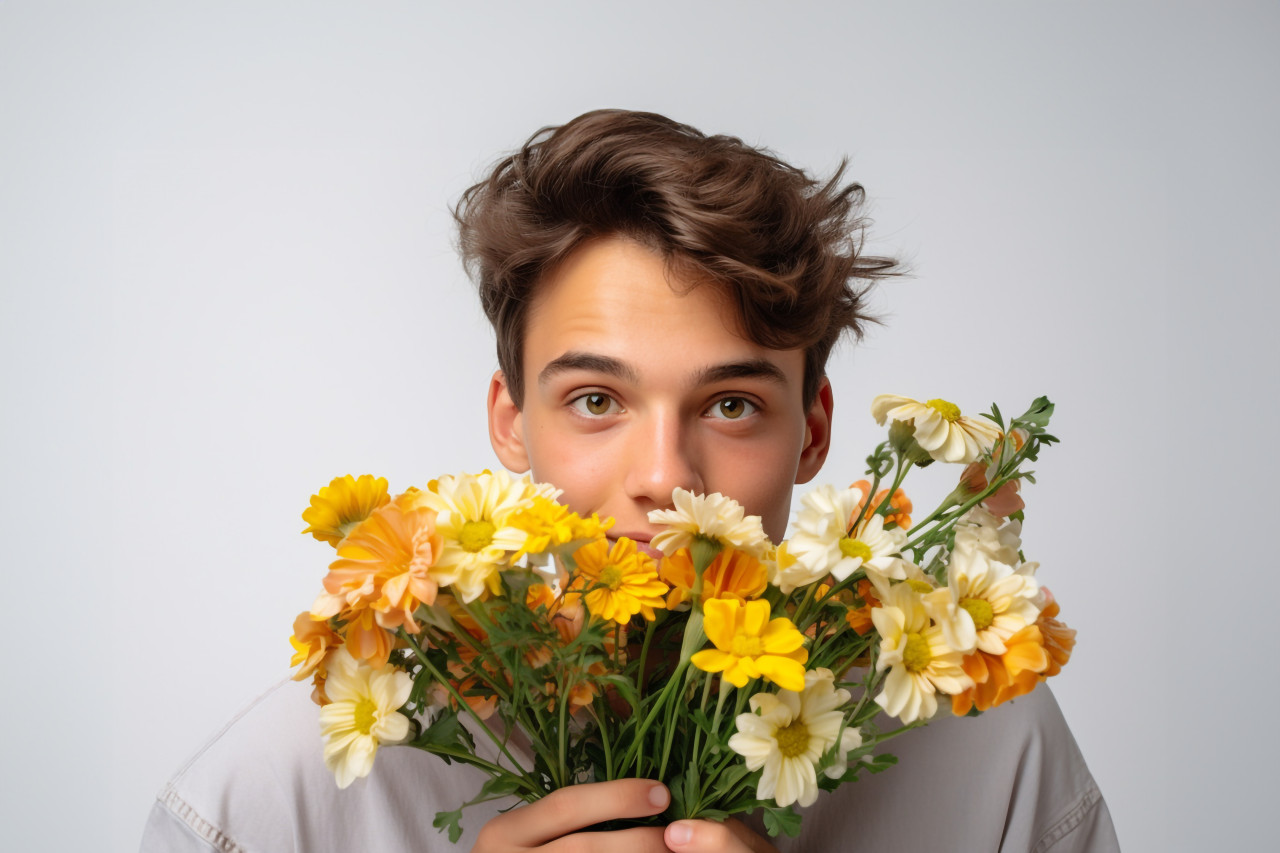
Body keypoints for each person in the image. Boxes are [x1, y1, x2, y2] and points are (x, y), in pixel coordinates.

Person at [140, 110, 1120, 852]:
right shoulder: (269, 802)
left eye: (729, 404)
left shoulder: (992, 752)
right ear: (509, 424)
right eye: (597, 401)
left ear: (811, 433)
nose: (662, 478)